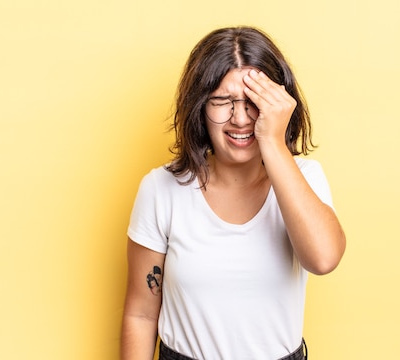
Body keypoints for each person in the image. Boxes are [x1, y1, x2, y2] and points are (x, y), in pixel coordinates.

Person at [120, 26, 346, 360]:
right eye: (222, 102)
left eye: (254, 103)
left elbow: (324, 258)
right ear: (200, 106)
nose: (240, 119)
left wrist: (272, 140)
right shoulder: (161, 189)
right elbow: (140, 314)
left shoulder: (305, 178)